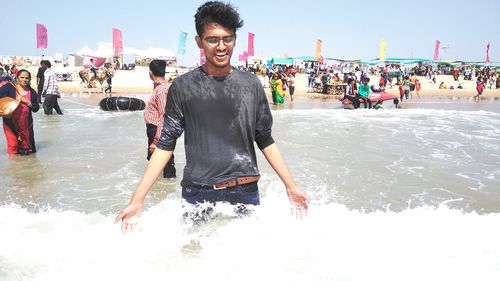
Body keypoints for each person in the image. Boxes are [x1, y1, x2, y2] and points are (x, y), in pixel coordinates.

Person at [115, 1, 309, 233]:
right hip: (198, 192)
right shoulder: (183, 86)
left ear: (235, 40)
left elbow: (265, 138)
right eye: (213, 39)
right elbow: (166, 144)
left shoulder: (251, 84)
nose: (221, 46)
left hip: (244, 189)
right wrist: (138, 198)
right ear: (199, 41)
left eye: (228, 39)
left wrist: (291, 187)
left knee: (245, 257)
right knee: (193, 255)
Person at [144, 59, 176, 179]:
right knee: (156, 163)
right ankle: (160, 191)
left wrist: (156, 141)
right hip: (157, 130)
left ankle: (167, 191)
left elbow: (164, 115)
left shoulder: (162, 90)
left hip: (158, 130)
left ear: (151, 73)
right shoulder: (161, 88)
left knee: (164, 163)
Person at [0, 70, 40, 155]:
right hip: (9, 123)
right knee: (13, 146)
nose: (24, 80)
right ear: (17, 78)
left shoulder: (32, 92)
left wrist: (27, 101)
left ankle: (26, 167)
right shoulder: (9, 87)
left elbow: (36, 108)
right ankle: (14, 166)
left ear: (29, 80)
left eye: (27, 78)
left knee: (29, 150)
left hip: (26, 125)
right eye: (22, 77)